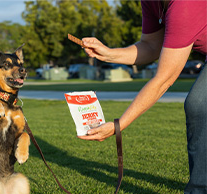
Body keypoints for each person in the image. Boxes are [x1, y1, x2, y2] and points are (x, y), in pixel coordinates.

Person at [78, 0, 207, 193]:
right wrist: (109, 54)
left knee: (198, 104)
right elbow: (151, 45)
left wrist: (118, 125)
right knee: (198, 106)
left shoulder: (185, 4)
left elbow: (164, 79)